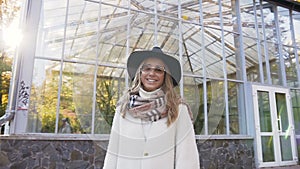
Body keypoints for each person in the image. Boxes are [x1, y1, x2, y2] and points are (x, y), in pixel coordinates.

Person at [103, 47, 200, 169]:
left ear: (165, 75)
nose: (152, 73)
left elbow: (187, 156)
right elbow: (113, 152)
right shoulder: (123, 108)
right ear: (140, 72)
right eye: (147, 68)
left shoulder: (178, 108)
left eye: (159, 70)